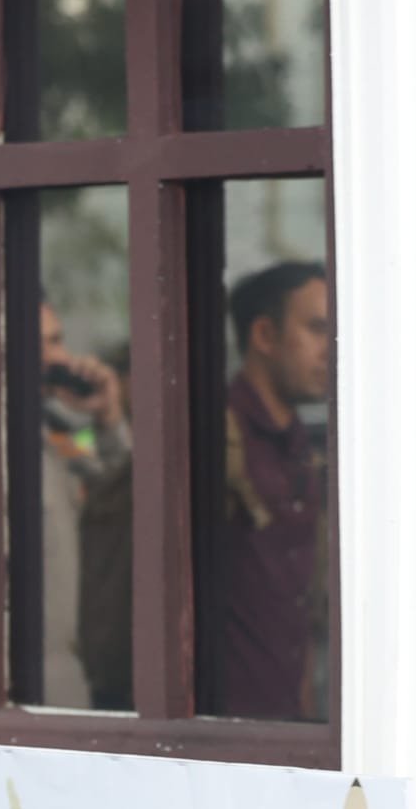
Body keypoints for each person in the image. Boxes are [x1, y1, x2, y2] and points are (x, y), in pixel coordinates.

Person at [215, 261, 329, 720]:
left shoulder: (302, 447)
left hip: (289, 722)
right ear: (264, 335)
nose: (331, 349)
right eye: (317, 329)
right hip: (220, 728)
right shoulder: (217, 437)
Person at [38, 300, 131, 709]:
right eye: (39, 345)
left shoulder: (55, 432)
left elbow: (116, 489)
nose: (55, 357)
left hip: (77, 672)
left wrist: (108, 418)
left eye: (56, 341)